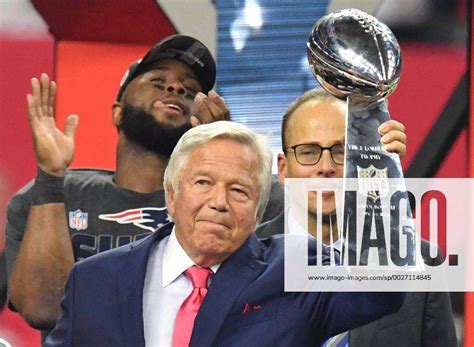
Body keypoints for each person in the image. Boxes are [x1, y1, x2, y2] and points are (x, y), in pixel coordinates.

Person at [4, 35, 284, 339]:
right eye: (157, 80)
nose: (177, 88)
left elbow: (274, 301)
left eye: (191, 90)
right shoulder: (58, 193)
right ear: (118, 111)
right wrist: (50, 177)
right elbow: (44, 309)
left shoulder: (244, 201)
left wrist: (221, 154)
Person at [44, 121, 405, 346]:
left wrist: (377, 177)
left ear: (259, 211)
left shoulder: (296, 268)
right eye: (203, 183)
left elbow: (380, 288)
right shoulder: (94, 280)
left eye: (239, 191)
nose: (219, 202)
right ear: (172, 194)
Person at [256, 88, 457, 346]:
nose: (326, 167)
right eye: (308, 152)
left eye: (341, 151)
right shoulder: (241, 258)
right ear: (283, 169)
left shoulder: (421, 262)